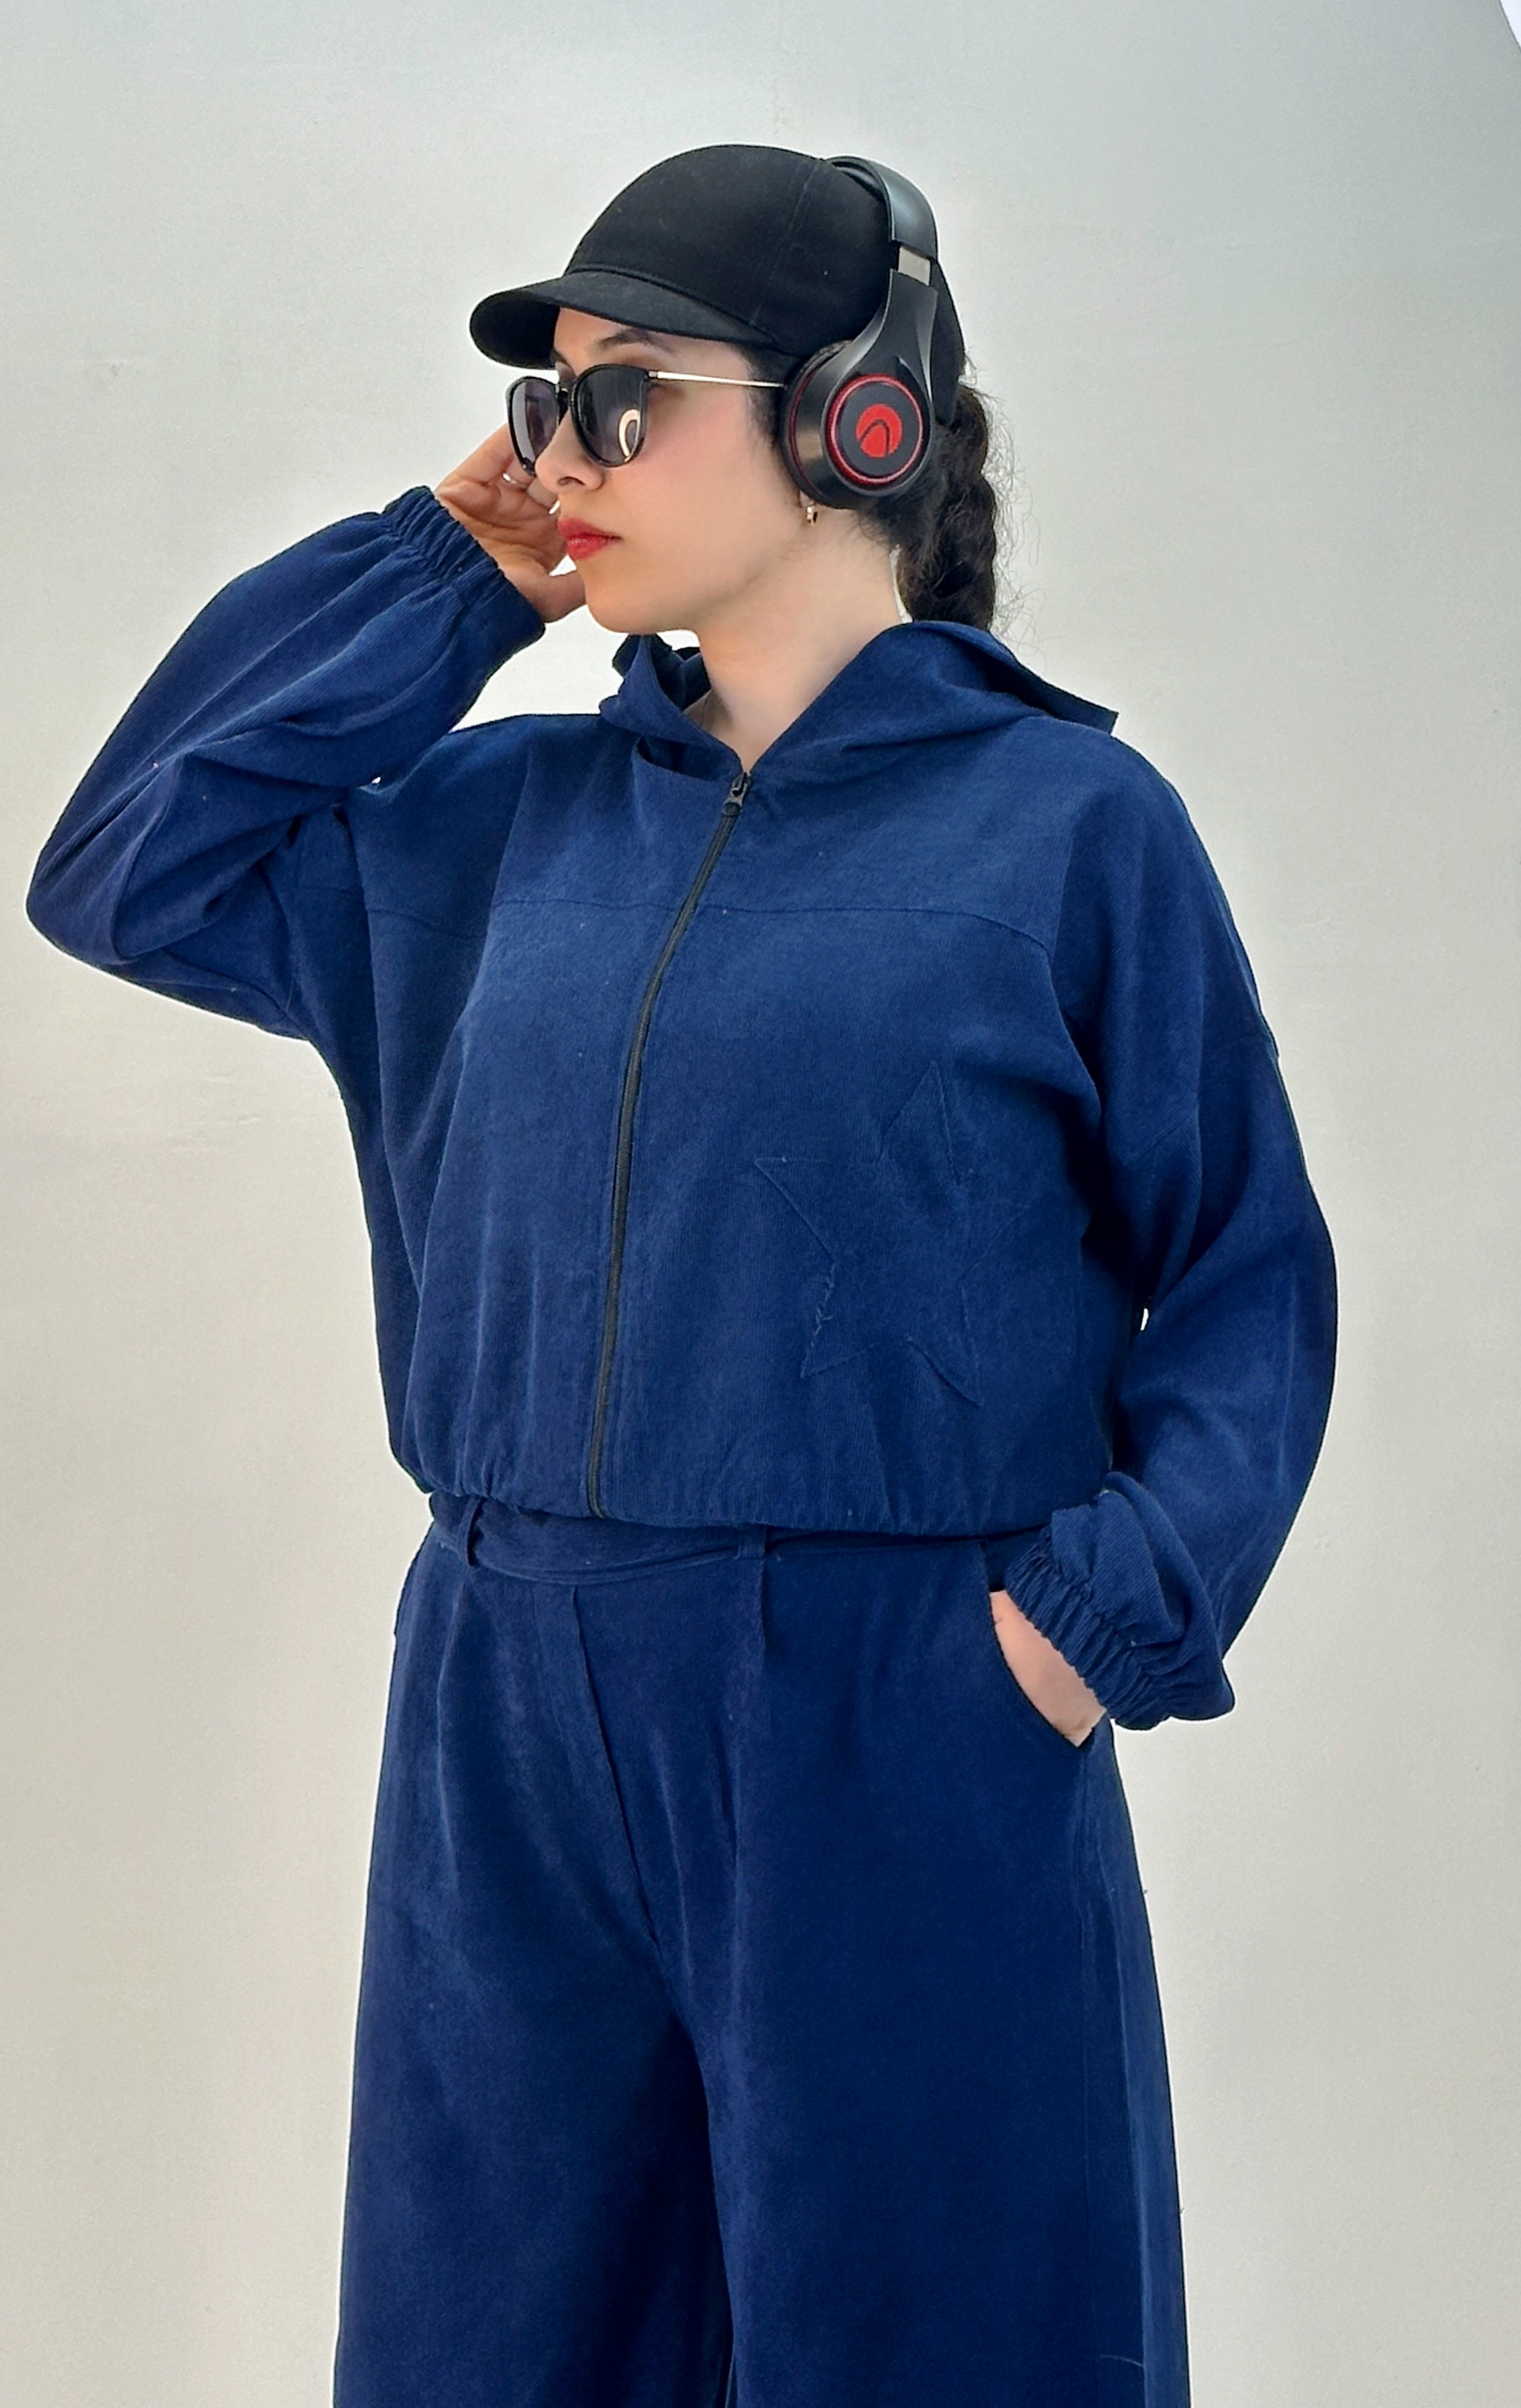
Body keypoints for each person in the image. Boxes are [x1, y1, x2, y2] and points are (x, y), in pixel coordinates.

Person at [26, 141, 1337, 2408]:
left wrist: (1078, 1628)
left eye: (623, 399)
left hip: (898, 1710)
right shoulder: (491, 831)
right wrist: (445, 574)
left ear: (853, 421)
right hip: (509, 1703)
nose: (565, 452)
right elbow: (131, 866)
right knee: (485, 2351)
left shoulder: (1067, 832)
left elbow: (1241, 1271)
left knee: (944, 2349)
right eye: (546, 405)